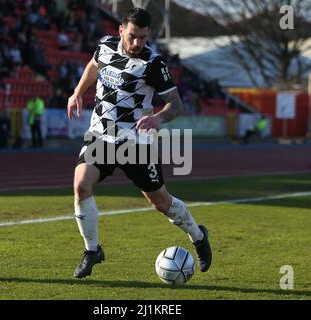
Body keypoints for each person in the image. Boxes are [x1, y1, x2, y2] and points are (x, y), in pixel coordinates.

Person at [67, 8, 212, 279]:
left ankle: (198, 235)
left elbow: (175, 104)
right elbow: (93, 66)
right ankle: (92, 251)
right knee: (81, 186)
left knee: (161, 202)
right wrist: (77, 93)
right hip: (101, 136)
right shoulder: (105, 46)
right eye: (133, 37)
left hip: (136, 143)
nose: (137, 44)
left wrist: (158, 119)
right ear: (121, 31)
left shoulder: (153, 63)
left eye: (143, 38)